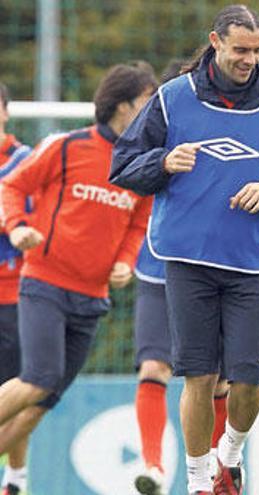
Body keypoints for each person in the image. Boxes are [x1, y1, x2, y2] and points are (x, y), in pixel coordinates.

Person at [110, 5, 259, 495]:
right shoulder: (172, 99)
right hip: (187, 260)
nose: (250, 59)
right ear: (216, 42)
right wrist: (164, 161)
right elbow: (123, 164)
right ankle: (195, 479)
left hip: (250, 263)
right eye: (240, 50)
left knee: (248, 383)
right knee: (199, 378)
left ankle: (229, 457)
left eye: (257, 50)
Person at [0, 62, 156, 491]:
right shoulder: (67, 147)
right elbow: (12, 186)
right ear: (123, 106)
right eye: (147, 102)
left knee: (45, 401)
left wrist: (127, 259)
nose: (154, 111)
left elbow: (138, 223)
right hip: (44, 284)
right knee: (38, 379)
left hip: (92, 298)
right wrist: (17, 228)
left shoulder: (141, 167)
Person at [131, 58, 230, 495]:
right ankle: (152, 466)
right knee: (154, 367)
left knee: (218, 379)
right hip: (158, 269)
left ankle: (213, 470)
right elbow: (127, 187)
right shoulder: (152, 139)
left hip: (214, 270)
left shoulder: (225, 133)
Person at [0, 81, 32, 495]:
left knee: (14, 390)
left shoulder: (24, 161)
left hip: (13, 294)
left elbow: (31, 215)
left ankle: (16, 479)